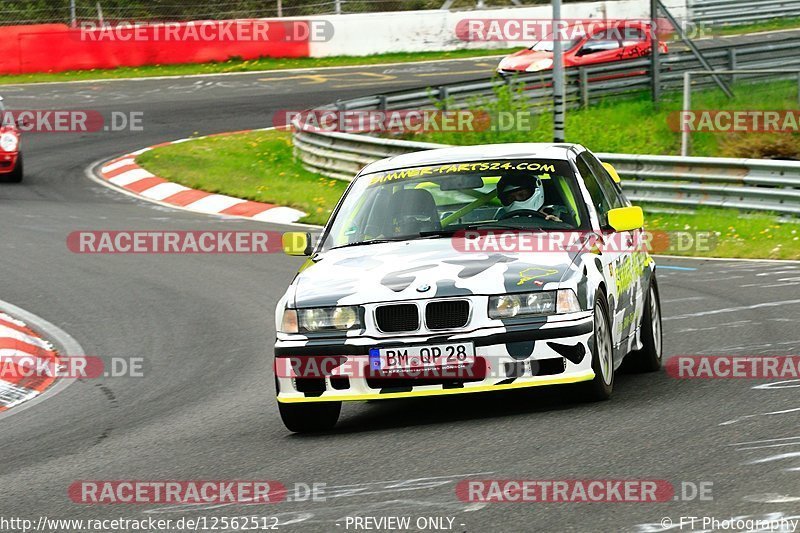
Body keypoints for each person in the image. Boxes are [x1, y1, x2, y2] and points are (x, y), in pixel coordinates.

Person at [496, 175, 561, 221]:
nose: (516, 201)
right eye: (510, 198)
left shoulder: (558, 213)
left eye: (522, 195)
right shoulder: (498, 218)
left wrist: (556, 225)